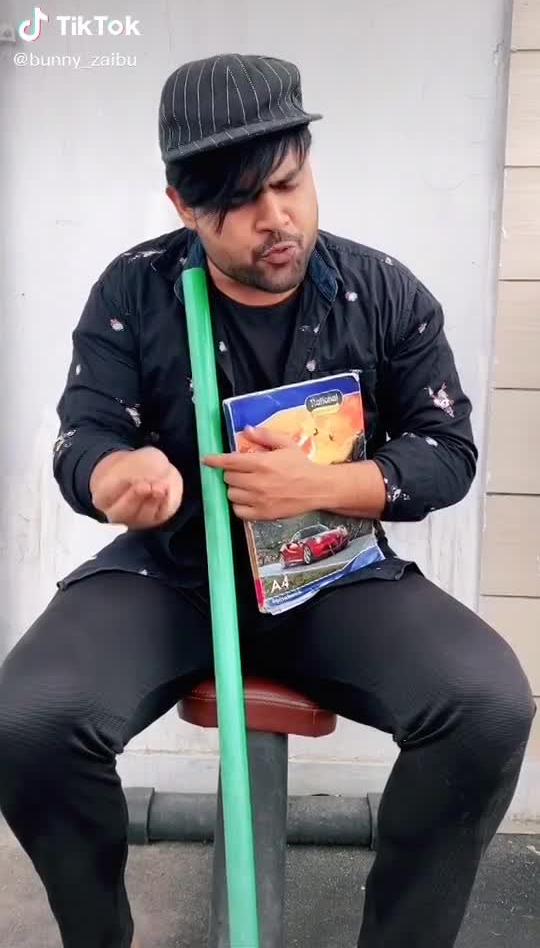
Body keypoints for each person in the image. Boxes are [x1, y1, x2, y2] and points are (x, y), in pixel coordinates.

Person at [0, 53, 535, 948]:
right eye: (238, 202)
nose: (275, 218)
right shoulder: (136, 289)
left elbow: (447, 452)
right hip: (172, 573)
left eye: (288, 183)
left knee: (486, 705)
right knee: (30, 722)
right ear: (183, 205)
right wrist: (118, 475)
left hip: (331, 572)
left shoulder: (382, 291)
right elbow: (82, 435)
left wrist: (327, 485)